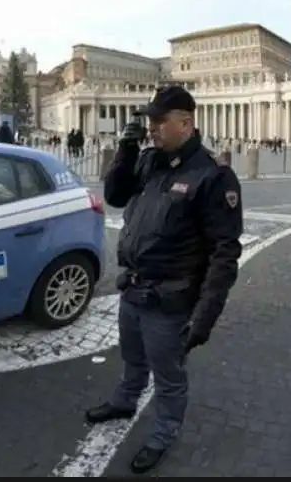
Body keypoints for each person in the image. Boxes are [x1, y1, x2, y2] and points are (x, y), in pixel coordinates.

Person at [88, 85, 243, 474]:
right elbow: (117, 197)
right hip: (134, 287)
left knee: (169, 375)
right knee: (132, 357)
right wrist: (125, 153)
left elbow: (224, 254)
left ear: (186, 122)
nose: (151, 128)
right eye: (149, 121)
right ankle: (126, 400)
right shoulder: (150, 161)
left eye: (159, 121)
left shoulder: (213, 175)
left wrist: (204, 316)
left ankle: (163, 432)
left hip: (170, 299)